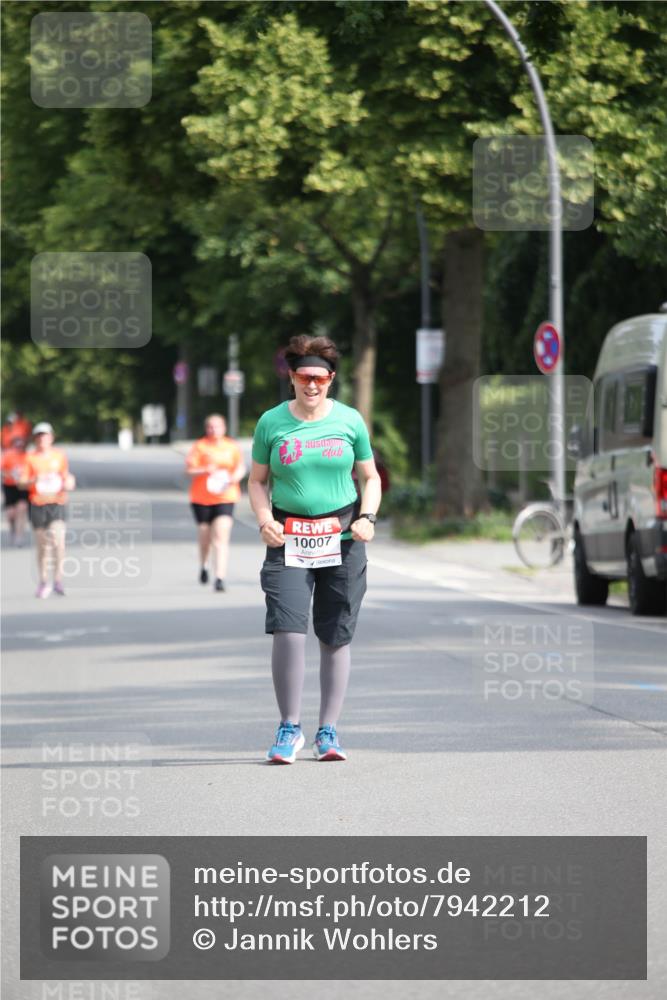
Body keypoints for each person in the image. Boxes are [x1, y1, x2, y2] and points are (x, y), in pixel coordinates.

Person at [248, 335, 382, 764]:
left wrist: (368, 517)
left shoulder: (349, 421)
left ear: (331, 380)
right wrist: (265, 521)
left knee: (335, 634)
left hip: (342, 539)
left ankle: (329, 731)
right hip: (288, 538)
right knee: (287, 628)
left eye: (320, 379)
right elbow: (255, 481)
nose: (312, 386)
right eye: (304, 377)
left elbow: (371, 477)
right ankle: (289, 727)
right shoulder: (271, 422)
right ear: (292, 377)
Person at [186, 414, 246, 592]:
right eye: (210, 427)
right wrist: (205, 469)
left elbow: (241, 467)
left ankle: (220, 577)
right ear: (206, 429)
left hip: (225, 497)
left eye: (217, 426)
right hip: (201, 499)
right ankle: (204, 565)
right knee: (205, 537)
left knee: (221, 536)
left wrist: (236, 477)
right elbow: (189, 470)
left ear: (224, 428)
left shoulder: (231, 447)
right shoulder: (200, 446)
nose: (214, 430)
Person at [20, 422, 75, 598]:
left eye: (45, 435)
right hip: (37, 503)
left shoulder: (60, 456)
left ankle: (58, 579)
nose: (42, 439)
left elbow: (67, 478)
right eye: (39, 436)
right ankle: (44, 581)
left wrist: (69, 483)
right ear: (35, 439)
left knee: (58, 541)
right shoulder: (29, 458)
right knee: (42, 545)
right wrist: (33, 480)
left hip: (57, 502)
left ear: (51, 437)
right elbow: (21, 483)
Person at [1, 436, 29, 546]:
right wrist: (10, 474)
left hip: (22, 486)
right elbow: (1, 472)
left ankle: (19, 536)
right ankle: (13, 530)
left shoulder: (28, 457)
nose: (19, 447)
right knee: (11, 514)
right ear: (13, 446)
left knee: (22, 509)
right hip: (9, 486)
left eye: (22, 445)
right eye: (17, 445)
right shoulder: (8, 456)